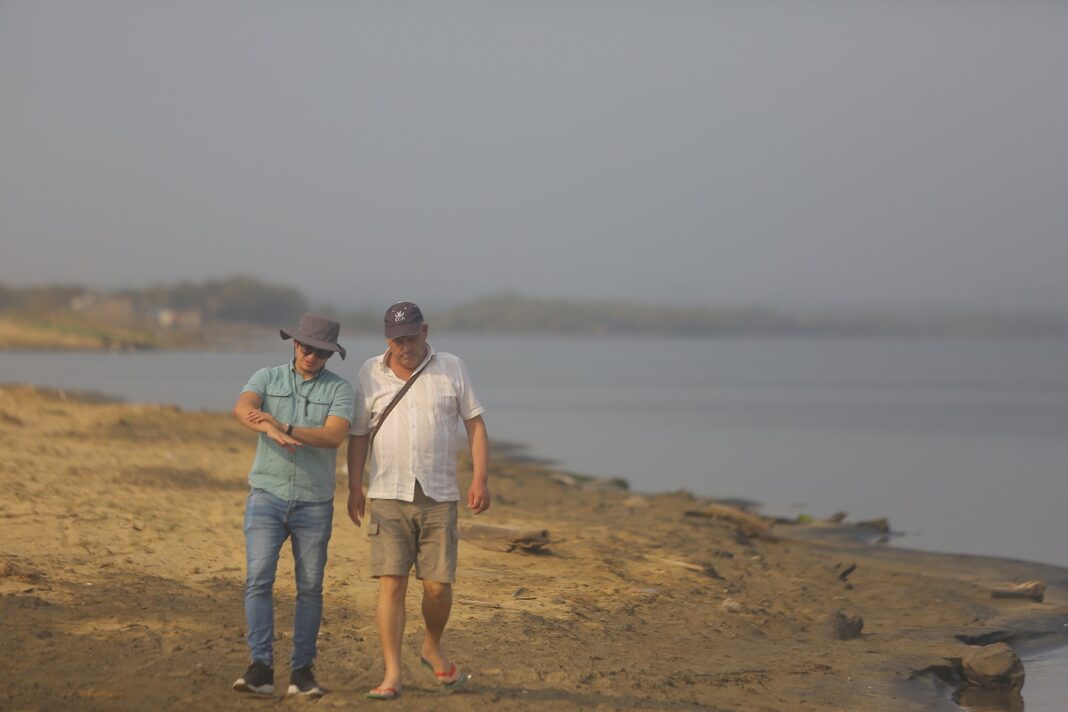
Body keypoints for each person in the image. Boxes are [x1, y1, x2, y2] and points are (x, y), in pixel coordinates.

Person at [346, 301, 490, 701]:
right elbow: (358, 434)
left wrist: (480, 478)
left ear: (424, 331)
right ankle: (392, 672)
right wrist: (355, 485)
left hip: (439, 494)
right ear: (387, 340)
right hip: (388, 493)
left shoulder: (451, 367)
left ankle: (431, 645)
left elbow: (475, 424)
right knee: (391, 583)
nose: (404, 347)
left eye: (410, 338)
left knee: (438, 587)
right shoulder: (369, 372)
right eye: (397, 341)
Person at [231, 313, 355, 698]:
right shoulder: (267, 377)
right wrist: (267, 427)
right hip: (266, 495)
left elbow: (333, 436)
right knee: (258, 580)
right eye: (307, 348)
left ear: (331, 355)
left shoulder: (341, 389)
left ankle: (302, 672)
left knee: (310, 588)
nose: (312, 356)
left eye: (322, 352)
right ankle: (260, 668)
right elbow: (244, 408)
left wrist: (283, 426)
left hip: (314, 502)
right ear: (295, 343)